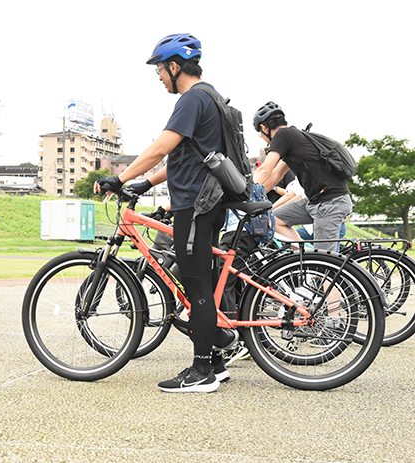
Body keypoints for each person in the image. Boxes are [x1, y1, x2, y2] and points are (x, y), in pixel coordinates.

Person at [94, 33, 231, 393]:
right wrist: (145, 183)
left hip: (196, 205)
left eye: (159, 69)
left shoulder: (192, 99)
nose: (158, 77)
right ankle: (215, 362)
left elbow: (160, 148)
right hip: (206, 202)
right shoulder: (211, 98)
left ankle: (202, 372)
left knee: (197, 283)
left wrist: (120, 177)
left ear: (174, 66)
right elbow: (182, 156)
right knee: (199, 282)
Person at [252, 102, 353, 252]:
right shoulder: (292, 139)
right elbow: (276, 175)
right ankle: (305, 254)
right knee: (273, 221)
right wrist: (253, 196)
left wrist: (243, 193)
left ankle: (315, 263)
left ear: (264, 128)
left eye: (260, 133)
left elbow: (266, 170)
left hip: (330, 202)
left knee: (324, 266)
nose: (262, 137)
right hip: (314, 201)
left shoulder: (283, 134)